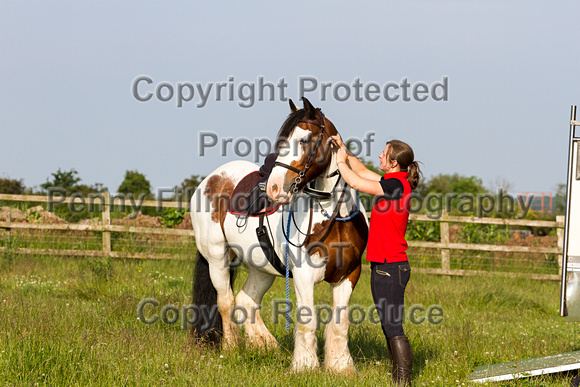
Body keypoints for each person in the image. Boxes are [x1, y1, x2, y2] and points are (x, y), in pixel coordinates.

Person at [329, 135, 422, 387]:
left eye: (384, 153)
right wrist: (343, 151)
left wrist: (338, 163)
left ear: (393, 162)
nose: (380, 156)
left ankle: (403, 383)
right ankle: (398, 379)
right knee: (388, 327)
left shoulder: (396, 186)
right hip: (384, 265)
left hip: (391, 266)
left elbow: (356, 181)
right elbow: (361, 170)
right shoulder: (393, 181)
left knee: (393, 328)